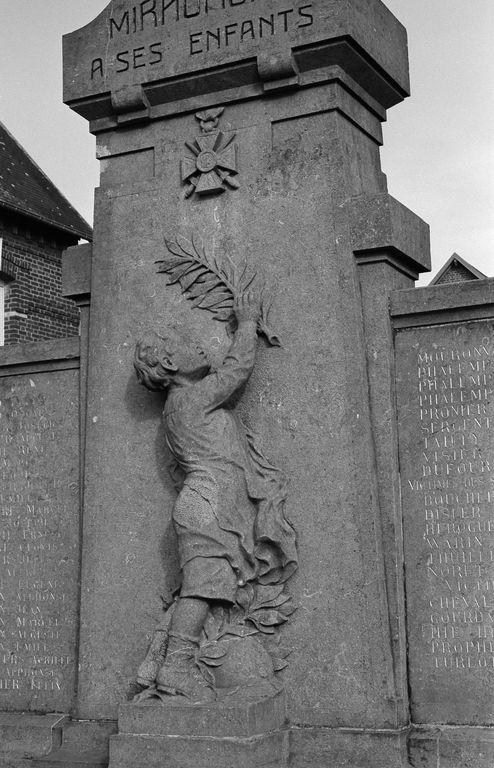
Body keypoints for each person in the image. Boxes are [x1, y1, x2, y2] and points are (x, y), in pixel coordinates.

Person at [134, 291, 297, 700]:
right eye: (189, 346)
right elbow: (236, 370)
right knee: (203, 588)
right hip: (207, 507)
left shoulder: (180, 404)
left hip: (208, 504)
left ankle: (154, 663)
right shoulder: (190, 398)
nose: (201, 347)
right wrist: (245, 324)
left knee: (204, 585)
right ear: (171, 364)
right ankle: (174, 670)